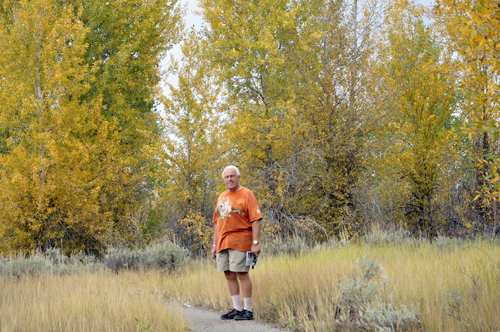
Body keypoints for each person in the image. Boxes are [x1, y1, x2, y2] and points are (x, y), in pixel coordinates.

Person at [211, 165, 262, 321]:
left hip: (241, 240)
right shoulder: (222, 196)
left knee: (241, 273)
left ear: (238, 177)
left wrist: (255, 242)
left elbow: (256, 219)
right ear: (223, 180)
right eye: (226, 177)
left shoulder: (247, 194)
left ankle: (248, 310)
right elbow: (217, 222)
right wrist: (214, 245)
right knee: (228, 274)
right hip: (222, 242)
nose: (230, 179)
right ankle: (237, 309)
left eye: (232, 176)